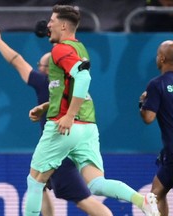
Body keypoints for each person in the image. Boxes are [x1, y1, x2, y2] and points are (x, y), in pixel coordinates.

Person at [24, 5, 160, 216]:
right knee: (96, 183)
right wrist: (44, 107)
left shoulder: (60, 49)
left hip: (65, 126)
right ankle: (141, 201)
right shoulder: (80, 48)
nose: (48, 25)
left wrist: (68, 115)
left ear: (62, 25)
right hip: (87, 128)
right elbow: (69, 88)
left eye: (51, 21)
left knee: (35, 181)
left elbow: (83, 78)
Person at [0, 30, 112, 216]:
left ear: (48, 68)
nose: (37, 67)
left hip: (59, 148)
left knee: (83, 200)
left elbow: (16, 60)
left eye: (40, 64)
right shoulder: (72, 84)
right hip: (70, 143)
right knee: (38, 184)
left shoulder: (43, 81)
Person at [139, 40, 173, 216]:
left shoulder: (156, 84)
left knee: (155, 196)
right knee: (158, 191)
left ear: (161, 58)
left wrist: (142, 102)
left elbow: (148, 118)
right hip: (169, 153)